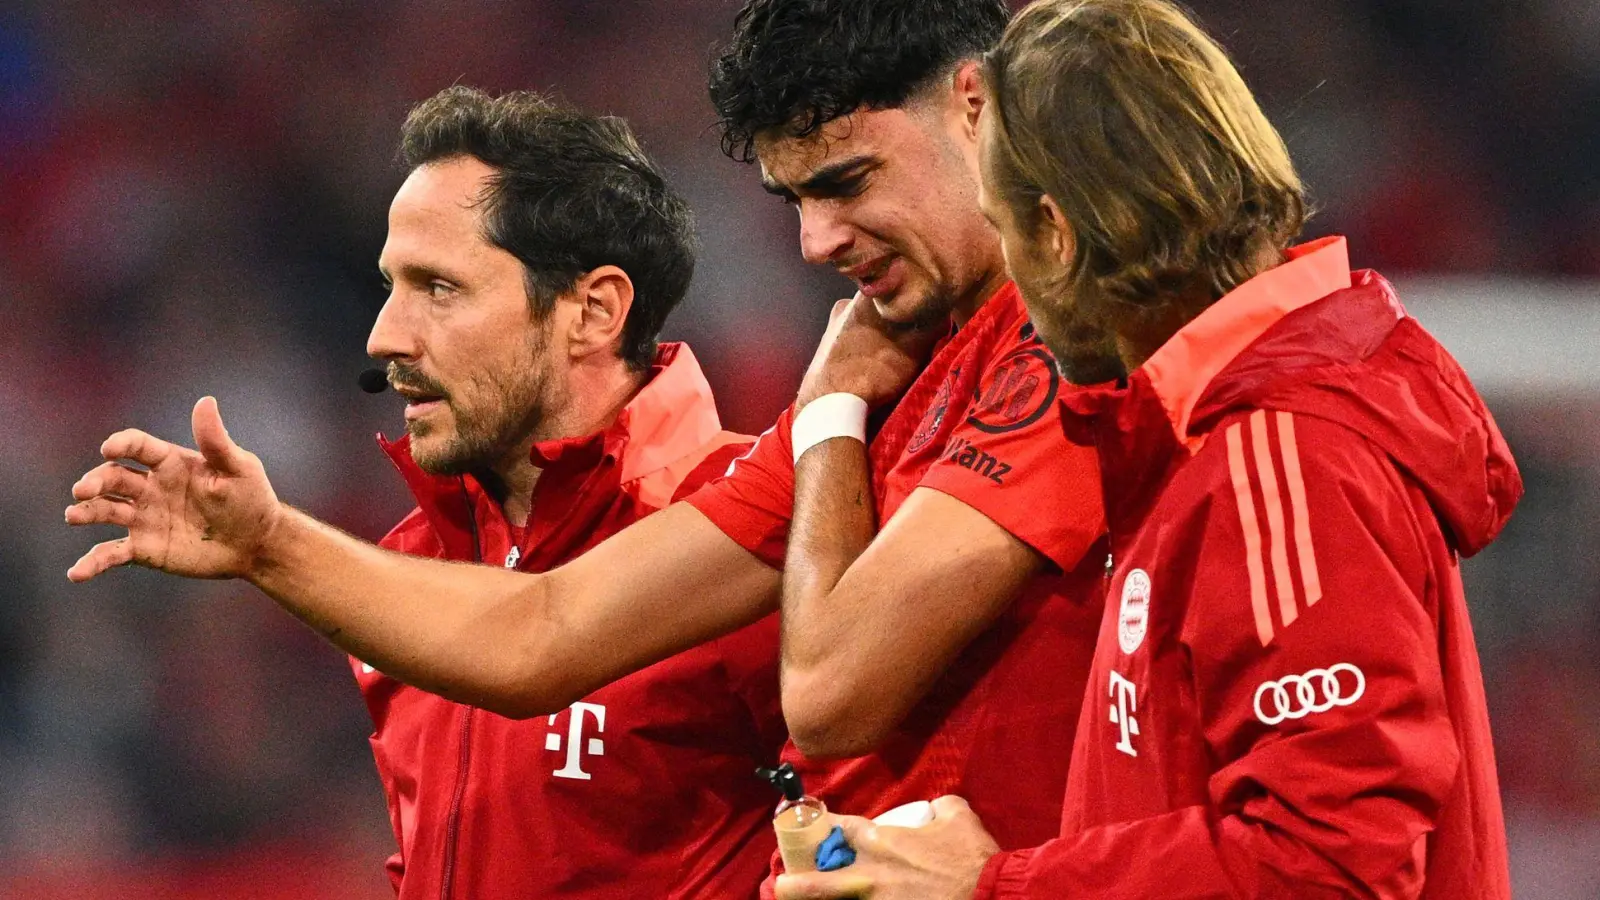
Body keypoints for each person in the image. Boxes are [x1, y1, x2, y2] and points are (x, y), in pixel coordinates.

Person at [66, 0, 1111, 886]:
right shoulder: (420, 581)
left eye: (843, 182)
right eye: (795, 200)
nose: (815, 243)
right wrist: (269, 545)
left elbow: (829, 699)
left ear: (975, 105)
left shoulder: (1073, 351)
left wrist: (832, 414)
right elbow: (543, 634)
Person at [770, 1, 1520, 898]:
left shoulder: (1283, 453)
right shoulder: (1189, 437)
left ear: (1054, 232)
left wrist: (996, 885)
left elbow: (1329, 864)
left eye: (1001, 224)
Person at [99, 85, 792, 899]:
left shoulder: (763, 532)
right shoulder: (405, 568)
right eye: (391, 284)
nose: (383, 336)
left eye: (438, 288)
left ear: (594, 311)